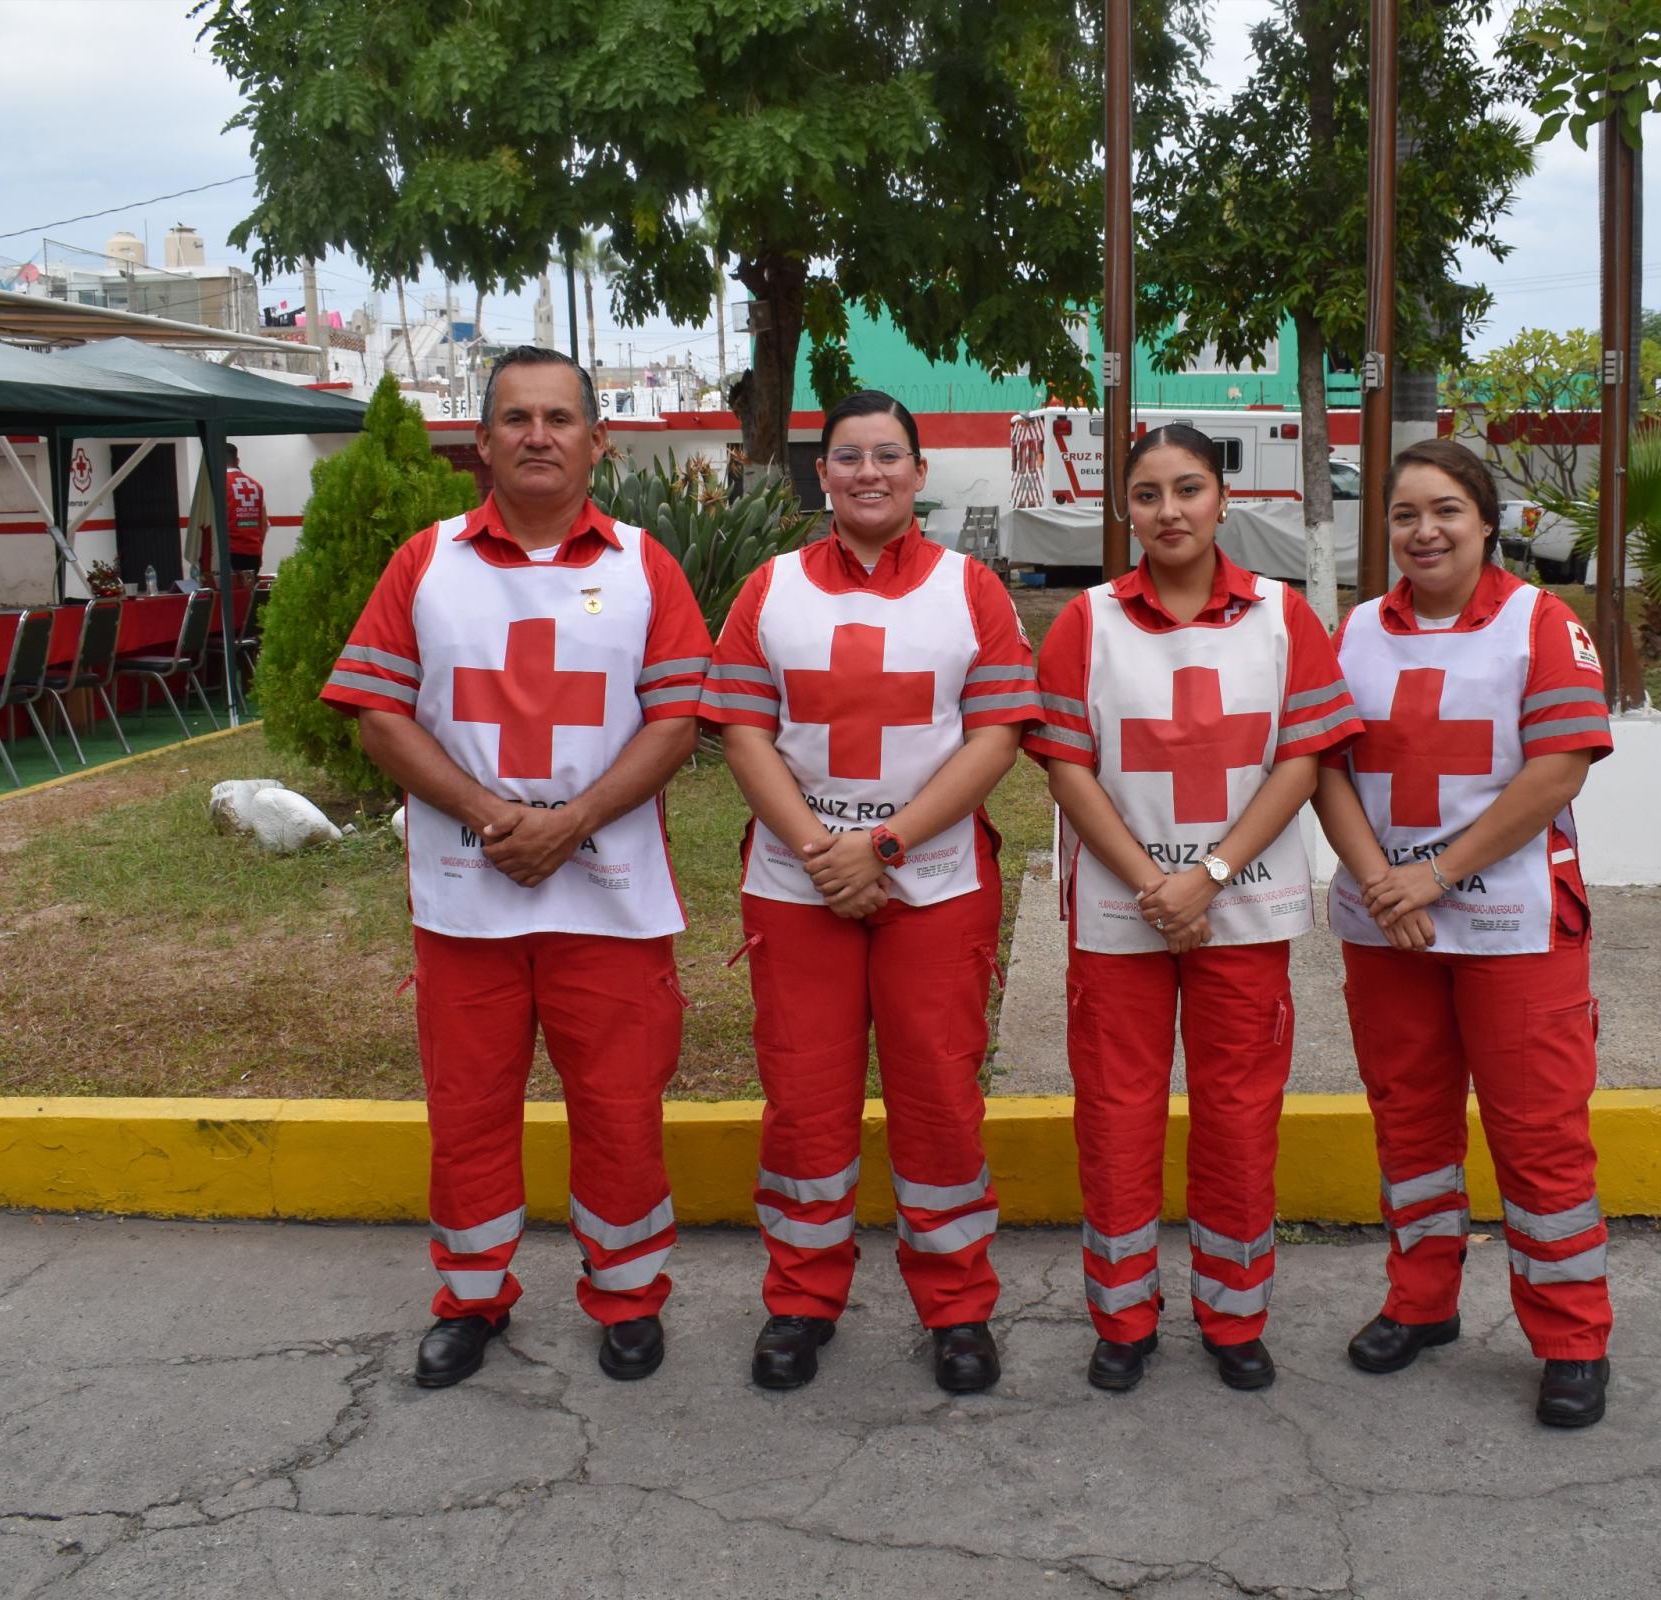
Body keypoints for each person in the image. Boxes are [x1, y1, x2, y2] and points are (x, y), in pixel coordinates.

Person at [320, 346, 712, 1389]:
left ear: (597, 440)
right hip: (465, 898)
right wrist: (497, 814)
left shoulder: (644, 564)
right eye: (515, 418)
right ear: (482, 441)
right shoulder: (426, 560)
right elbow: (373, 710)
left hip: (613, 899)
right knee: (469, 1109)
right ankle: (471, 1296)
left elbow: (677, 721)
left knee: (621, 1108)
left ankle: (627, 1294)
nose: (538, 434)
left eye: (558, 417)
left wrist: (570, 819)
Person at [700, 390, 1039, 1394]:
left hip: (931, 883)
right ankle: (800, 1301)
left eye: (888, 455)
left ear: (918, 472)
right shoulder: (767, 590)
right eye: (847, 456)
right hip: (797, 886)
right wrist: (821, 851)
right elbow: (740, 729)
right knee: (804, 1104)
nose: (867, 473)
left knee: (939, 1100)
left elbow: (998, 734)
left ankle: (958, 1307)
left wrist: (882, 846)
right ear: (822, 474)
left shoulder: (969, 588)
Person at [1026, 425, 1361, 1392]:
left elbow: (1301, 759)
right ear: (1122, 508)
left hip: (1243, 909)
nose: (1168, 511)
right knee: (1119, 1116)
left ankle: (1233, 1313)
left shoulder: (1281, 616)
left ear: (1224, 499)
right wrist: (1154, 885)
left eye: (1188, 489)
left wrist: (1206, 877)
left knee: (1239, 1115)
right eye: (1145, 494)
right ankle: (1123, 1318)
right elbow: (1065, 765)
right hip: (1123, 910)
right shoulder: (1085, 621)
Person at [1311, 437, 1615, 1428]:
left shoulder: (1541, 623)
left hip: (1512, 924)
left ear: (1486, 521)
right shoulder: (1353, 631)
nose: (1422, 530)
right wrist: (1378, 882)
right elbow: (1324, 769)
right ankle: (1419, 1301)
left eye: (1443, 509)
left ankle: (1570, 1338)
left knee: (1537, 1135)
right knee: (1408, 1122)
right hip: (1386, 926)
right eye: (1403, 514)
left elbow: (1557, 769)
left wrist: (1432, 875)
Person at [221, 444, 267, 575]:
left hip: (231, 553)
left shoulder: (220, 485)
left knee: (234, 595)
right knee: (250, 593)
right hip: (254, 552)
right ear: (237, 461)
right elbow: (264, 524)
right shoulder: (257, 486)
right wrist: (258, 551)